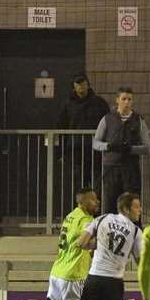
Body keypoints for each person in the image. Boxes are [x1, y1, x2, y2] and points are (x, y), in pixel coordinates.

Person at [56, 73, 109, 215]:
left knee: (97, 185)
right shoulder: (68, 104)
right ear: (74, 86)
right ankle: (79, 215)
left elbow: (107, 125)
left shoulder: (99, 103)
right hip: (75, 151)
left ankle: (97, 215)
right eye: (78, 83)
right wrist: (60, 152)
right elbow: (61, 127)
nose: (81, 86)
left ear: (88, 84)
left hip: (96, 152)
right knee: (78, 185)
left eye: (83, 83)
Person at [92, 87, 150, 215]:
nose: (126, 102)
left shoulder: (139, 120)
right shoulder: (107, 119)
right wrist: (108, 146)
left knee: (132, 204)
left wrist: (131, 149)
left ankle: (134, 231)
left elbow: (147, 147)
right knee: (109, 203)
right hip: (111, 167)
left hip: (131, 168)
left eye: (129, 99)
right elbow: (96, 143)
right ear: (117, 100)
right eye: (124, 99)